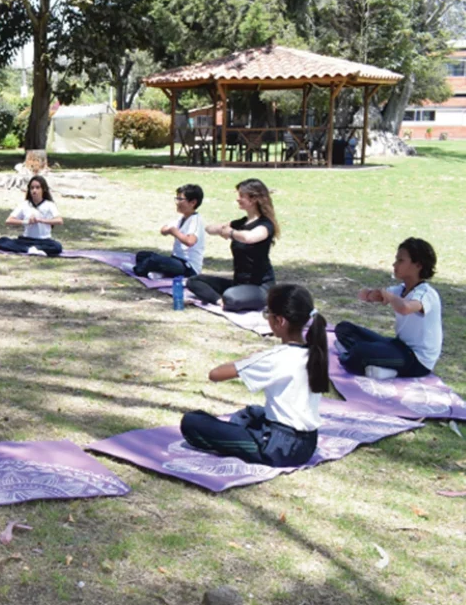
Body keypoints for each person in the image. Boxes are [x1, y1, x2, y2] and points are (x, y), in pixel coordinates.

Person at [181, 284, 328, 467]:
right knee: (251, 413)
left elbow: (215, 374)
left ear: (279, 321)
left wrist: (250, 358)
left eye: (268, 314)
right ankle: (242, 432)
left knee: (192, 421)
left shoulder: (276, 357)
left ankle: (244, 436)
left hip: (278, 448)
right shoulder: (315, 351)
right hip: (308, 443)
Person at [335, 237, 441, 379]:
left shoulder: (427, 294)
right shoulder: (400, 290)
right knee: (344, 328)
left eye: (400, 260)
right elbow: (367, 296)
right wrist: (370, 295)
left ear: (418, 265)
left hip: (417, 361)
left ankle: (383, 367)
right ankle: (370, 360)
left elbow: (405, 308)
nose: (394, 264)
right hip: (399, 346)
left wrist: (389, 297)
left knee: (360, 353)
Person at [186, 178, 278, 312]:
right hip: (238, 284)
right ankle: (220, 301)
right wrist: (220, 230)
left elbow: (249, 237)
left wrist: (231, 233)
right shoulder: (241, 223)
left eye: (241, 196)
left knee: (231, 296)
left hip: (260, 288)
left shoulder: (265, 225)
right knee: (194, 281)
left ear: (253, 199)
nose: (237, 199)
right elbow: (209, 229)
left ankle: (229, 300)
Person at [128, 184, 205, 279]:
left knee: (153, 260)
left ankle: (138, 269)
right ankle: (160, 273)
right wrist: (168, 230)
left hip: (188, 267)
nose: (177, 203)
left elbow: (190, 241)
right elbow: (164, 229)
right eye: (176, 199)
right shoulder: (181, 218)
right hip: (176, 259)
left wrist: (174, 231)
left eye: (180, 199)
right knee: (142, 255)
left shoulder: (195, 220)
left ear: (193, 202)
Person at [0, 175, 64, 256]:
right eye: (32, 188)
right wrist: (26, 222)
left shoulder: (49, 205)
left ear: (43, 189)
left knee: (57, 247)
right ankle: (29, 249)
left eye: (37, 188)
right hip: (26, 240)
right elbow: (9, 220)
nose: (34, 190)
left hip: (44, 241)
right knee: (0, 241)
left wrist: (40, 220)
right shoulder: (25, 204)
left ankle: (35, 249)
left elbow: (59, 221)